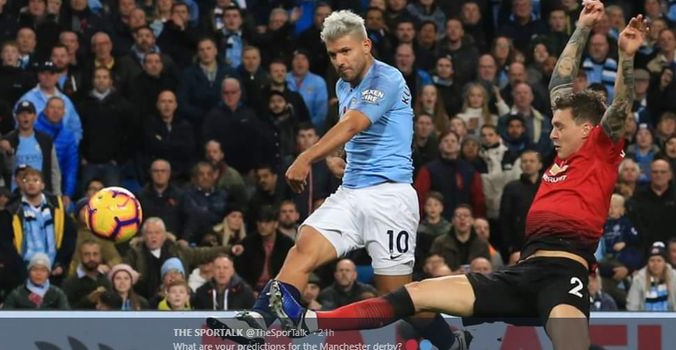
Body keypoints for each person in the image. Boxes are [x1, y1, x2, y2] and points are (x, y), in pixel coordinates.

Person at [263, 4, 646, 350]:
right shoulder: (566, 147)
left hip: (565, 273)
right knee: (412, 296)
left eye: (560, 127)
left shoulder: (603, 149)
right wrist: (580, 29)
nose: (552, 133)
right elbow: (558, 85)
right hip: (521, 271)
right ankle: (308, 322)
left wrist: (625, 58)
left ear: (587, 128)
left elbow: (621, 108)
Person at [207, 10, 466, 349]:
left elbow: (353, 125)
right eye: (332, 54)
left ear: (366, 45)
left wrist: (305, 156)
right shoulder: (343, 84)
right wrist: (346, 164)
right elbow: (364, 137)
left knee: (399, 299)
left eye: (346, 51)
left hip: (390, 199)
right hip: (351, 192)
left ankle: (452, 342)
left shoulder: (387, 79)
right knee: (304, 247)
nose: (340, 61)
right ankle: (257, 323)